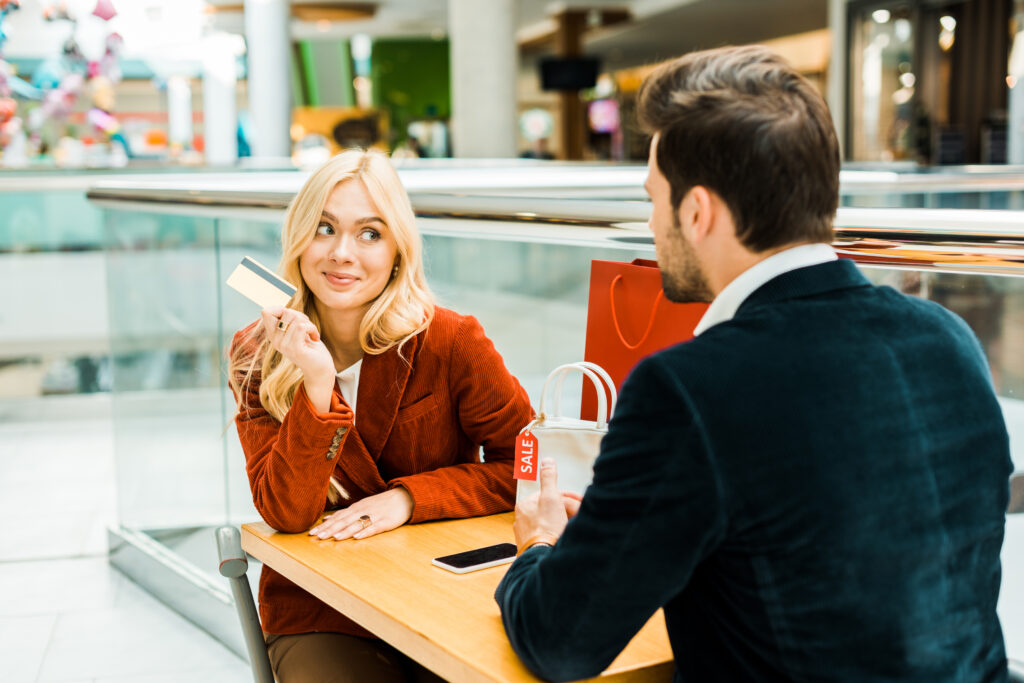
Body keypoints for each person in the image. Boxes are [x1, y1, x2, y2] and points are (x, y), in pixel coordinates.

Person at [495, 45, 1013, 682]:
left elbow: (560, 643)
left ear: (697, 212)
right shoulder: (948, 339)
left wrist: (537, 544)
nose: (652, 224)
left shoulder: (689, 388)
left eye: (654, 198)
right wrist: (627, 526)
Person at [228, 149, 532, 682]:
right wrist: (317, 384)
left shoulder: (449, 341)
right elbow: (286, 512)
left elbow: (530, 465)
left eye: (370, 233)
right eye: (324, 228)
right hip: (320, 609)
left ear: (397, 251)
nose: (342, 253)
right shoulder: (258, 354)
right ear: (298, 238)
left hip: (440, 589)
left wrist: (411, 498)